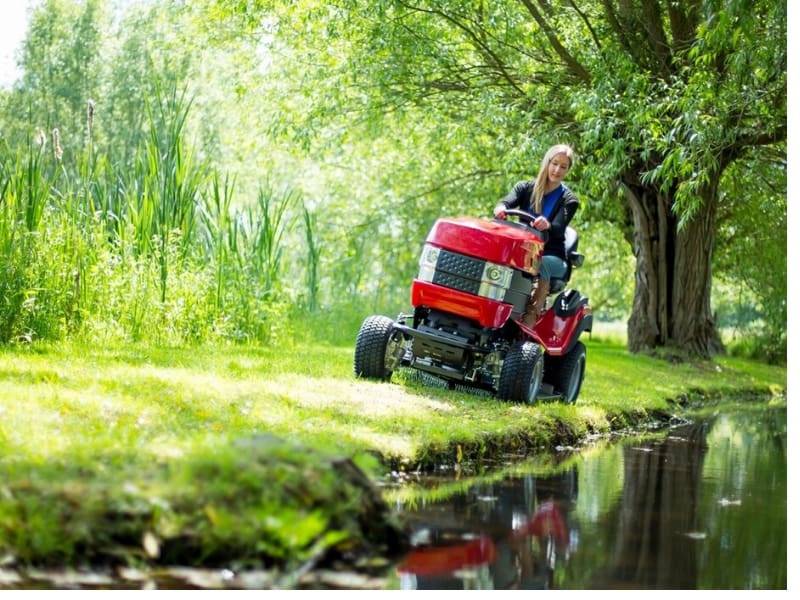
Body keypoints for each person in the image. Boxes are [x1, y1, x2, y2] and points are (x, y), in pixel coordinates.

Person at [493, 144, 579, 327]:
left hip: (551, 256)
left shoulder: (569, 200)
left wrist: (547, 224)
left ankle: (529, 319)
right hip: (522, 251)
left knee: (540, 263)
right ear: (547, 163)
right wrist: (500, 208)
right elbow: (506, 202)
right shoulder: (524, 187)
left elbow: (558, 226)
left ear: (568, 170)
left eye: (563, 166)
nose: (557, 170)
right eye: (554, 163)